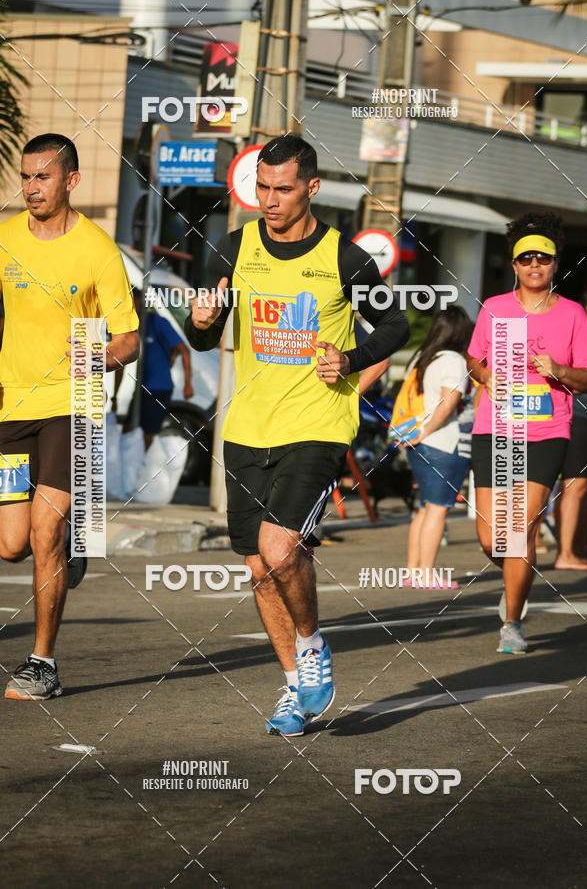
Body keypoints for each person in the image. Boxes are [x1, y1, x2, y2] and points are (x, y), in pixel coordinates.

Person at [184, 135, 409, 737]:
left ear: (311, 187)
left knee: (282, 549)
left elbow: (395, 323)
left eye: (283, 189)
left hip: (316, 423)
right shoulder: (233, 249)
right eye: (263, 188)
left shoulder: (345, 258)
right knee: (259, 569)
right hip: (248, 426)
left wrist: (353, 357)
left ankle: (312, 646)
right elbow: (206, 334)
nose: (270, 200)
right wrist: (201, 321)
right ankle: (293, 688)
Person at [1, 134, 139, 700]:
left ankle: (43, 663)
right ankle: (73, 547)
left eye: (43, 177)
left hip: (73, 403)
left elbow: (129, 339)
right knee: (12, 543)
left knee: (44, 531)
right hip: (12, 405)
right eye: (27, 177)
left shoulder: (98, 250)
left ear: (71, 181)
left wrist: (100, 354)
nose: (32, 188)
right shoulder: (5, 238)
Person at [467, 213, 587, 654]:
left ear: (555, 264)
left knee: (519, 525)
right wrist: (485, 377)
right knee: (493, 538)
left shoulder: (573, 315)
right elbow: (474, 359)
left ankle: (511, 622)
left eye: (543, 259)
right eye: (526, 259)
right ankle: (516, 574)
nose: (535, 266)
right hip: (496, 427)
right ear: (515, 265)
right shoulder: (494, 308)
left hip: (546, 430)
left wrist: (560, 370)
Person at [396, 306, 474, 589]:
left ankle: (413, 571)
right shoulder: (453, 359)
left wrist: (419, 433)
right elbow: (448, 401)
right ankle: (426, 573)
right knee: (438, 509)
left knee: (425, 508)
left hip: (420, 444)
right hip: (444, 442)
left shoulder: (422, 357)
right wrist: (427, 430)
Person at [553, 288, 587, 569]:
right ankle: (565, 554)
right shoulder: (573, 342)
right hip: (579, 418)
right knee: (574, 485)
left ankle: (579, 546)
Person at [113, 290, 193, 450]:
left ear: (141, 302)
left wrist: (188, 384)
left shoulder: (157, 322)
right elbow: (120, 364)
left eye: (133, 303)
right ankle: (131, 470)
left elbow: (184, 350)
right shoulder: (131, 328)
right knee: (127, 431)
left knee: (147, 436)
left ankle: (146, 470)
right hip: (142, 389)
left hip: (158, 389)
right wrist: (114, 396)